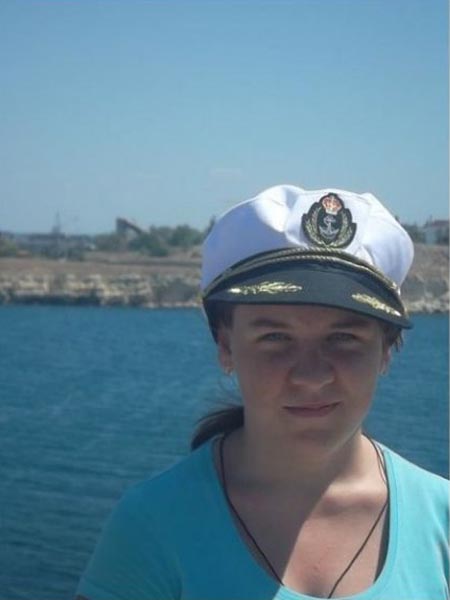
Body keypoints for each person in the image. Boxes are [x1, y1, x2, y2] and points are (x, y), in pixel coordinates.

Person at [76, 185, 449, 600]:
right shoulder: (152, 526)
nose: (311, 375)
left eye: (344, 338)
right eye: (275, 337)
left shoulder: (442, 517)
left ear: (386, 350)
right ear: (226, 346)